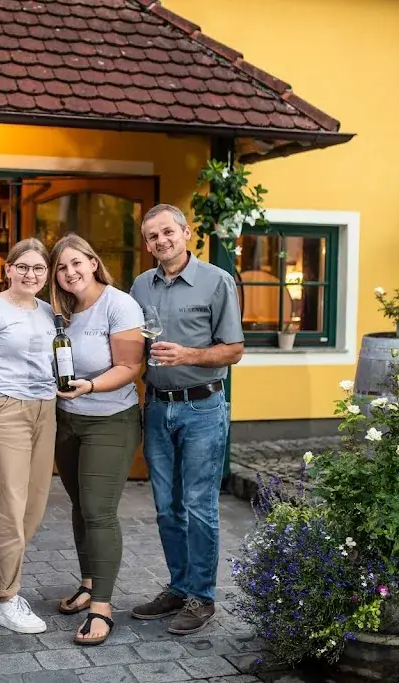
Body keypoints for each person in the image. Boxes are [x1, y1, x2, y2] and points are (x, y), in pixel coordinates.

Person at [129, 204, 245, 635]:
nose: (161, 241)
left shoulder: (217, 281)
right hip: (158, 406)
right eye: (152, 236)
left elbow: (233, 349)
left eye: (167, 232)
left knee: (199, 506)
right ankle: (179, 587)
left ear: (186, 233)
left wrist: (188, 355)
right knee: (166, 508)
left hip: (202, 407)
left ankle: (202, 596)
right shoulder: (140, 286)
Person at [49, 234, 144, 646]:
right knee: (79, 505)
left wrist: (88, 387)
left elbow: (129, 366)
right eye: (61, 267)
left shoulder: (118, 303)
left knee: (98, 509)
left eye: (76, 263)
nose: (70, 273)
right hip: (67, 420)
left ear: (92, 261)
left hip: (110, 420)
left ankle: (102, 607)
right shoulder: (62, 310)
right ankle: (88, 582)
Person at [0, 238, 57, 635]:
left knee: (32, 508)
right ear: (7, 269)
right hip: (4, 410)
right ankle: (6, 599)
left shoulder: (50, 311)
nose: (31, 274)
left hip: (45, 409)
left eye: (38, 268)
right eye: (23, 267)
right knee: (6, 508)